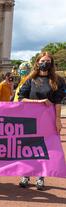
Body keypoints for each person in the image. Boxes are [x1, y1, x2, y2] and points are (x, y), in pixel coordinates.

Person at [17, 52, 65, 191]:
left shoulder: (58, 81)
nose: (45, 63)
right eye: (43, 60)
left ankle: (40, 176)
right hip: (30, 119)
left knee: (44, 148)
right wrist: (39, 102)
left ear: (52, 64)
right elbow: (21, 98)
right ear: (37, 62)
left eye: (48, 61)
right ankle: (26, 174)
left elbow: (57, 102)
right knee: (27, 147)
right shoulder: (30, 79)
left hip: (48, 119)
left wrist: (58, 120)